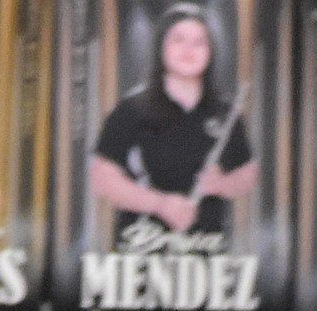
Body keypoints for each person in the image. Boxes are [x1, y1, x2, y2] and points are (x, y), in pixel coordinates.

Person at [91, 2, 257, 241]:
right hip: (140, 252)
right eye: (178, 40)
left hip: (207, 253)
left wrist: (222, 184)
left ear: (210, 52)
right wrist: (160, 204)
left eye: (199, 42)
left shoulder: (224, 113)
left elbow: (248, 174)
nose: (189, 49)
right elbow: (102, 178)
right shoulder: (130, 110)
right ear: (161, 48)